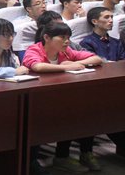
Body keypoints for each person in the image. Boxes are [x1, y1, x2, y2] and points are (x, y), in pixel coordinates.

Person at [23, 22, 103, 172]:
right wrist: (67, 66)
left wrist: (76, 63)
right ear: (47, 37)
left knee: (85, 113)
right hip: (37, 101)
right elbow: (37, 66)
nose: (67, 41)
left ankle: (67, 156)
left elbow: (96, 59)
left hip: (61, 97)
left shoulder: (66, 52)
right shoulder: (34, 49)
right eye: (62, 37)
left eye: (68, 38)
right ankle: (31, 162)